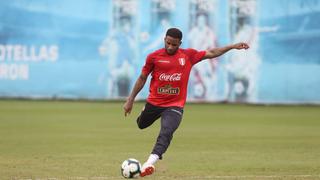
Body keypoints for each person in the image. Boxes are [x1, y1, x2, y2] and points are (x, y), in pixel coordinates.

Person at [123, 28, 249, 177]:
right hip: (154, 103)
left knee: (167, 132)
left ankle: (149, 163)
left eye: (174, 45)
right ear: (164, 40)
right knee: (141, 124)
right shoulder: (153, 57)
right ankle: (145, 113)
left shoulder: (188, 56)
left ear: (180, 43)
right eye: (168, 43)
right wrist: (130, 100)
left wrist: (232, 46)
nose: (170, 47)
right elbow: (142, 78)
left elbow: (212, 53)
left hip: (175, 105)